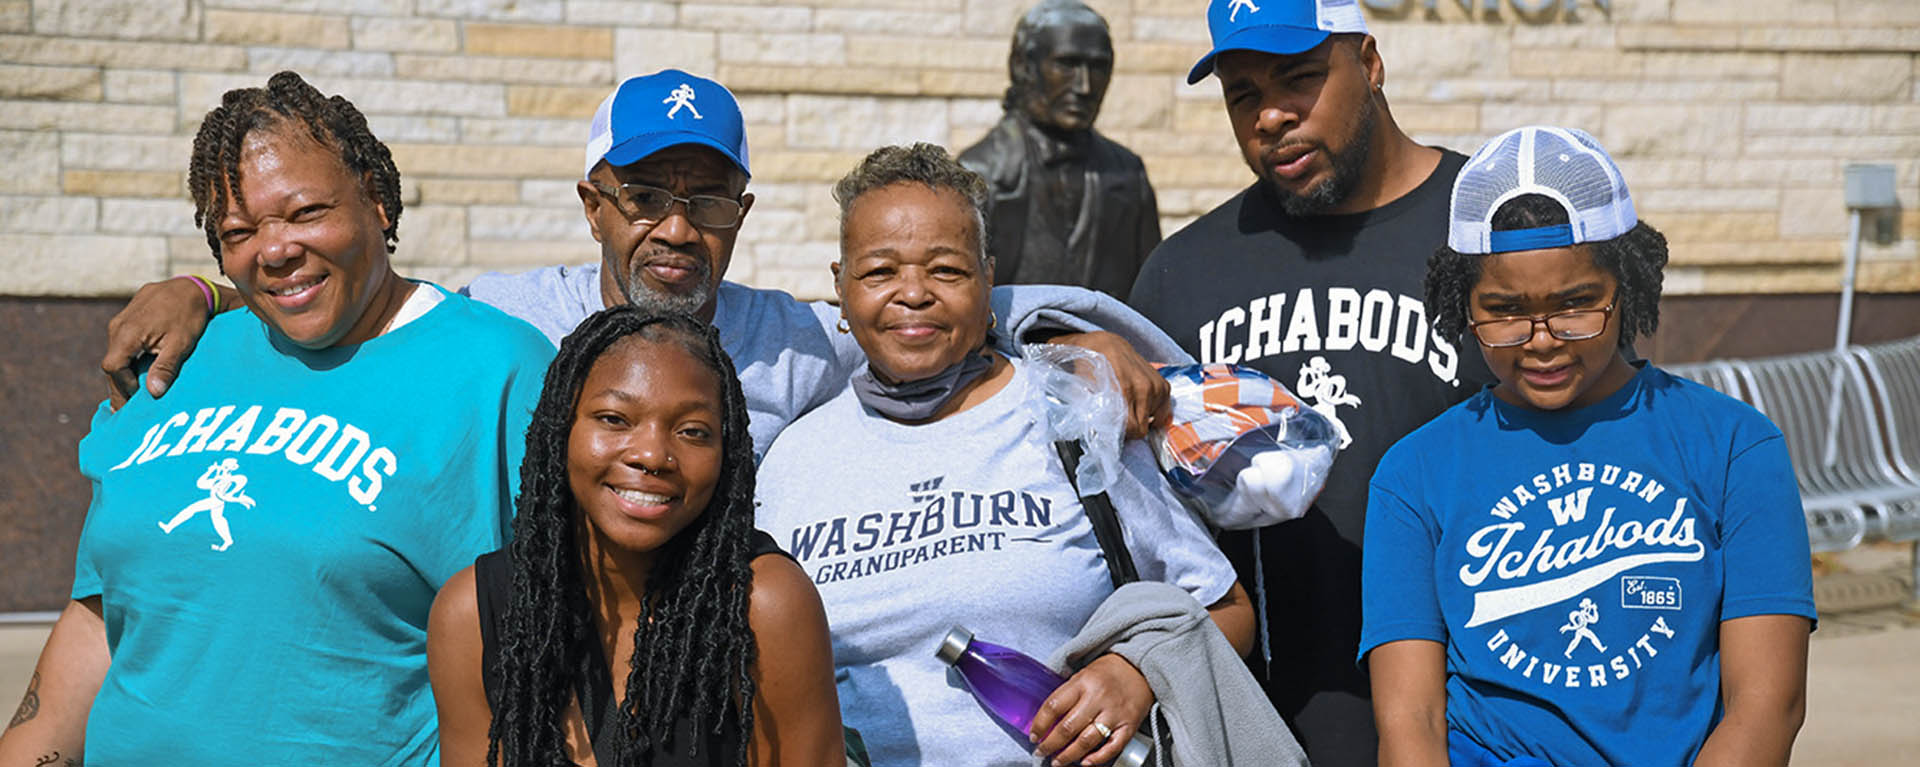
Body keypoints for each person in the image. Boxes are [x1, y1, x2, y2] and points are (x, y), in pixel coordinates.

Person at [100, 70, 1185, 458]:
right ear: (592, 204)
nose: (676, 225)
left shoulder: (800, 337)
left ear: (741, 210)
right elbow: (345, 291)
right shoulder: (510, 316)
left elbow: (935, 309)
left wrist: (1064, 336)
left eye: (706, 196)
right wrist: (206, 287)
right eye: (644, 194)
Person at [0, 72, 553, 765]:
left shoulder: (497, 370)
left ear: (377, 201)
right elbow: (101, 614)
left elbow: (556, 640)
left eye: (305, 212)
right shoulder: (180, 358)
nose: (274, 248)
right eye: (239, 230)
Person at [755, 143, 1265, 767]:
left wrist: (1134, 674)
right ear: (839, 287)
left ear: (989, 278)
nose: (912, 294)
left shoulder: (1069, 413)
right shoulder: (791, 462)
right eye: (879, 271)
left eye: (946, 270)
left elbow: (1227, 608)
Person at [1361, 126, 1815, 767]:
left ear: (1626, 289)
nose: (1541, 340)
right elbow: (1412, 721)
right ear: (1461, 306)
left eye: (1576, 305)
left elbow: (1768, 705)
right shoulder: (1413, 475)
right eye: (1504, 310)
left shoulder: (1736, 446)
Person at [1125, 2, 1493, 760]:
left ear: (1371, 61)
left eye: (1299, 78)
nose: (1271, 115)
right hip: (1261, 724)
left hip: (1479, 716)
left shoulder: (1488, 233)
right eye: (1243, 93)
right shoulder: (1183, 274)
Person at [427, 308, 842, 766]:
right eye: (614, 419)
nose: (652, 455)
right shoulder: (473, 614)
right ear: (562, 429)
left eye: (692, 431)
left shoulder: (764, 605)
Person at [958, 0, 1161, 298]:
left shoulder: (1129, 175)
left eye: (1098, 67)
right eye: (1066, 64)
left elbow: (1152, 297)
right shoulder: (978, 175)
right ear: (1022, 66)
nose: (1085, 87)